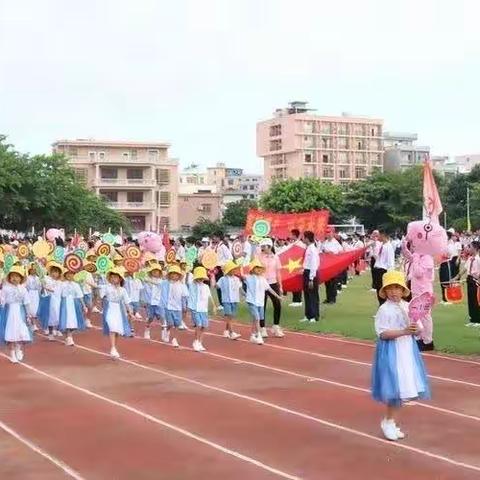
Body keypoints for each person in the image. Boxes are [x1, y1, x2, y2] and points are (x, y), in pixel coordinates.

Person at [371, 270, 430, 441]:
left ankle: (392, 421)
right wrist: (404, 331)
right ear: (385, 291)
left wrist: (415, 328)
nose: (394, 291)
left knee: (403, 387)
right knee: (394, 388)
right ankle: (388, 421)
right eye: (390, 288)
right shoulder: (384, 310)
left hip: (406, 351)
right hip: (391, 352)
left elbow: (418, 327)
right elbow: (382, 333)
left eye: (397, 287)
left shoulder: (408, 306)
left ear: (403, 289)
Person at [244, 259, 282, 345]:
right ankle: (259, 335)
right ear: (252, 269)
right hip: (252, 301)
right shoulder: (248, 278)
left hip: (260, 302)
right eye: (256, 268)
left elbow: (269, 289)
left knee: (256, 319)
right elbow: (242, 276)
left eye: (260, 268)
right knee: (257, 318)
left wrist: (277, 296)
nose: (258, 270)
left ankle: (252, 335)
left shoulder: (263, 279)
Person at [0, 266, 32, 364]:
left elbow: (26, 302)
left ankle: (18, 348)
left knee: (21, 332)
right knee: (10, 333)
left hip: (20, 312)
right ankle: (12, 353)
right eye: (12, 276)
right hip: (9, 312)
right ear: (9, 278)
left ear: (21, 278)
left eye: (17, 276)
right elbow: (2, 302)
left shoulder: (23, 289)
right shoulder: (5, 289)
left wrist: (28, 315)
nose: (15, 278)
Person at [101, 268, 133, 359]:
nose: (113, 279)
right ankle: (113, 348)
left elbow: (127, 302)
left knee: (117, 330)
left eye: (115, 277)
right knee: (112, 327)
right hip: (109, 309)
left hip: (119, 310)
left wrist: (130, 312)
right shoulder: (107, 287)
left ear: (120, 279)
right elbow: (101, 296)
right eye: (111, 277)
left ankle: (114, 347)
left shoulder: (123, 290)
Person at [255, 238, 284, 338]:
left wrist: (280, 286)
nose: (262, 248)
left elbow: (278, 272)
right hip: (261, 283)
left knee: (277, 304)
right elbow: (254, 269)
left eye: (264, 246)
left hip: (273, 283)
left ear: (270, 246)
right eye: (262, 247)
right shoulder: (258, 256)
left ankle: (276, 326)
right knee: (262, 305)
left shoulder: (275, 257)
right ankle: (262, 328)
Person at [188, 266, 217, 352]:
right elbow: (189, 281)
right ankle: (196, 341)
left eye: (202, 278)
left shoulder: (206, 287)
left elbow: (210, 296)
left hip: (204, 309)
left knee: (204, 326)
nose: (200, 279)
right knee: (199, 325)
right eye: (198, 278)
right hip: (195, 308)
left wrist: (214, 306)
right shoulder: (193, 285)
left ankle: (200, 342)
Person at [160, 265, 189, 347]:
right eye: (172, 274)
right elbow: (159, 282)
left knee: (177, 324)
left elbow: (184, 296)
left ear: (179, 276)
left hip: (178, 308)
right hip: (168, 307)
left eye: (176, 274)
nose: (174, 276)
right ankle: (167, 330)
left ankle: (174, 339)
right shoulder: (165, 283)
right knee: (170, 323)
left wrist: (184, 306)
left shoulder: (182, 285)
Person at [214, 260, 242, 340]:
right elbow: (217, 286)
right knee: (229, 315)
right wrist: (213, 277)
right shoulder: (223, 279)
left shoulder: (237, 279)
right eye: (232, 269)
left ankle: (226, 330)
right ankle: (231, 332)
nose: (233, 271)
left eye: (234, 269)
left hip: (235, 299)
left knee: (231, 316)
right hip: (226, 300)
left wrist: (244, 294)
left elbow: (240, 288)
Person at [455, 240, 480, 327]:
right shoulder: (470, 259)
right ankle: (472, 319)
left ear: (475, 248)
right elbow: (465, 269)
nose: (468, 249)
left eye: (470, 247)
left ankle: (477, 320)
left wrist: (477, 278)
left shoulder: (478, 259)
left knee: (475, 300)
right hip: (469, 279)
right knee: (470, 300)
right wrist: (457, 276)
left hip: (475, 280)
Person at [59, 269, 86, 346]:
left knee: (73, 321)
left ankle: (69, 336)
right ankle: (69, 337)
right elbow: (58, 294)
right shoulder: (62, 284)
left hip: (74, 304)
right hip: (65, 303)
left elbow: (80, 296)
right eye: (67, 274)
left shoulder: (76, 285)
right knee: (67, 320)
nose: (69, 275)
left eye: (71, 274)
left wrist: (84, 305)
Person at [39, 262, 65, 340]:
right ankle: (50, 333)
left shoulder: (61, 283)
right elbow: (44, 289)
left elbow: (63, 292)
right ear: (50, 272)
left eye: (56, 272)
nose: (54, 274)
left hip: (58, 301)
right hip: (50, 302)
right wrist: (44, 287)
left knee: (58, 316)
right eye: (53, 271)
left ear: (59, 273)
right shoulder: (47, 280)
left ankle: (57, 329)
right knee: (50, 317)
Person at [372, 231, 395, 305]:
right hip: (378, 270)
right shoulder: (382, 245)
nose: (378, 237)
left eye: (379, 236)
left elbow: (390, 261)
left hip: (383, 271)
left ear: (383, 235)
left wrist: (390, 274)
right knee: (379, 291)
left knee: (383, 291)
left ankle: (384, 307)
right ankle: (381, 307)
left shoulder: (389, 246)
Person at [302, 231, 320, 323]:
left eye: (304, 237)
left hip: (311, 273)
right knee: (306, 295)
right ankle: (307, 315)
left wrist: (311, 278)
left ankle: (314, 316)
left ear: (307, 238)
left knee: (312, 295)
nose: (302, 239)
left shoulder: (313, 249)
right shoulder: (308, 248)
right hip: (306, 272)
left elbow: (314, 264)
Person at [321, 227, 342, 305]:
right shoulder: (325, 242)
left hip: (333, 265)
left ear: (333, 233)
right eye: (327, 233)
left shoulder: (335, 243)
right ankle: (328, 298)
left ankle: (333, 298)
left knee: (333, 283)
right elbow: (321, 251)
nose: (328, 234)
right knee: (327, 282)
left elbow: (340, 252)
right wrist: (324, 252)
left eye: (329, 232)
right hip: (326, 265)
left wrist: (330, 252)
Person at [144, 263, 164, 340]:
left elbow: (158, 283)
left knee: (162, 317)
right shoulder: (146, 280)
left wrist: (148, 280)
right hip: (150, 302)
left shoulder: (161, 281)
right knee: (150, 318)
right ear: (151, 272)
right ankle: (147, 329)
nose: (155, 273)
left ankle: (164, 332)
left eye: (157, 271)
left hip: (159, 302)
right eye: (154, 271)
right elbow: (145, 290)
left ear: (160, 272)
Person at [288, 229, 304, 307]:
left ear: (294, 235)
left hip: (298, 265)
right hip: (292, 265)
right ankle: (295, 300)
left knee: (297, 282)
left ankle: (298, 300)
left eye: (291, 235)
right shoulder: (293, 243)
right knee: (294, 282)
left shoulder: (300, 244)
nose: (290, 236)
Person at [25, 263, 41, 331]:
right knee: (31, 309)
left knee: (35, 308)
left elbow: (40, 287)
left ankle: (33, 324)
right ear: (29, 270)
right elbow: (26, 286)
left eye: (34, 269)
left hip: (36, 294)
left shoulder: (38, 278)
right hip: (30, 293)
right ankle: (33, 324)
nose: (33, 271)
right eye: (32, 270)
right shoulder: (27, 278)